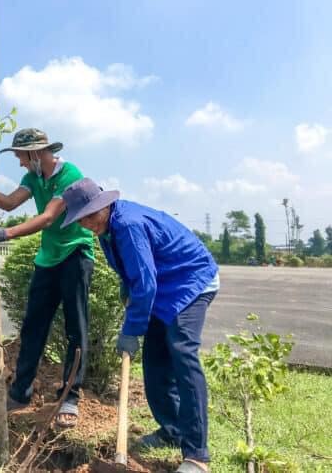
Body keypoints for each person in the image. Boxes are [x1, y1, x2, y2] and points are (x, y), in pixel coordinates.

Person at [60, 178, 219, 473]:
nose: (88, 224)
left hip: (191, 281)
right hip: (162, 286)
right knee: (155, 363)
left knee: (182, 353)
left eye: (91, 216)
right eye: (81, 220)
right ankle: (172, 429)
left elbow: (145, 285)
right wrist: (127, 286)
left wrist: (131, 330)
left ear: (104, 205)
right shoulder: (107, 228)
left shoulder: (128, 225)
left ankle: (197, 455)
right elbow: (136, 273)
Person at [0, 128, 95, 428]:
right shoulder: (34, 177)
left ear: (37, 154)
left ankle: (70, 397)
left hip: (75, 255)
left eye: (21, 157)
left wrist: (6, 233)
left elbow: (49, 217)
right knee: (32, 327)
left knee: (75, 327)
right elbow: (11, 203)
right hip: (48, 259)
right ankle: (20, 392)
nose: (20, 164)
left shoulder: (70, 175)